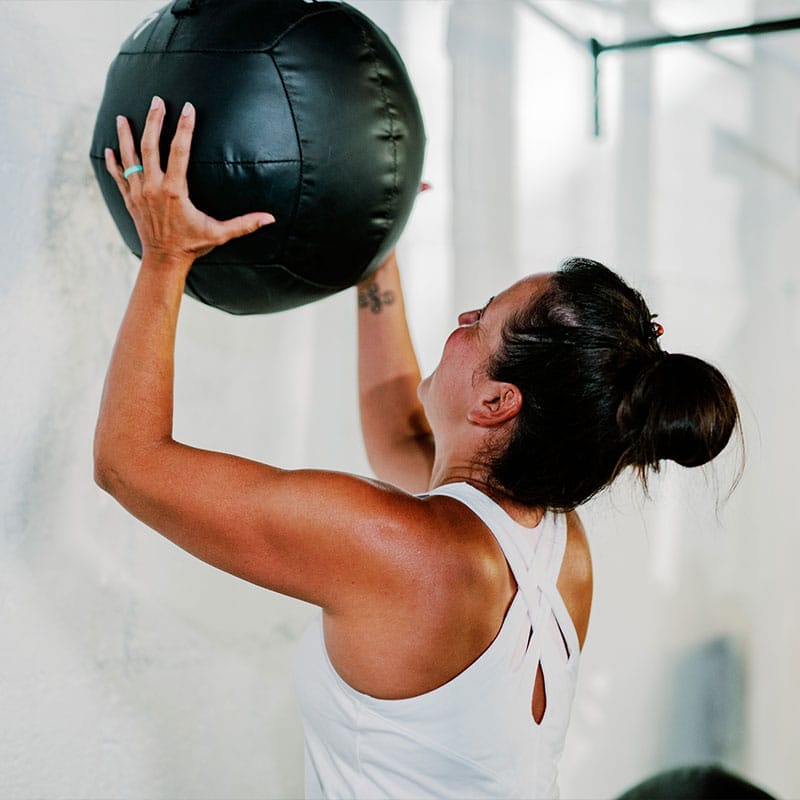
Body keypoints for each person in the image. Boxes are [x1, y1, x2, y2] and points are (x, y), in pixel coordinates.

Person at [95, 98, 740, 799]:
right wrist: (378, 247)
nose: (461, 319)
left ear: (496, 403)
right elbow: (400, 435)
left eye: (480, 320)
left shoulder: (403, 548)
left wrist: (167, 257)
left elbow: (130, 462)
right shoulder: (557, 544)